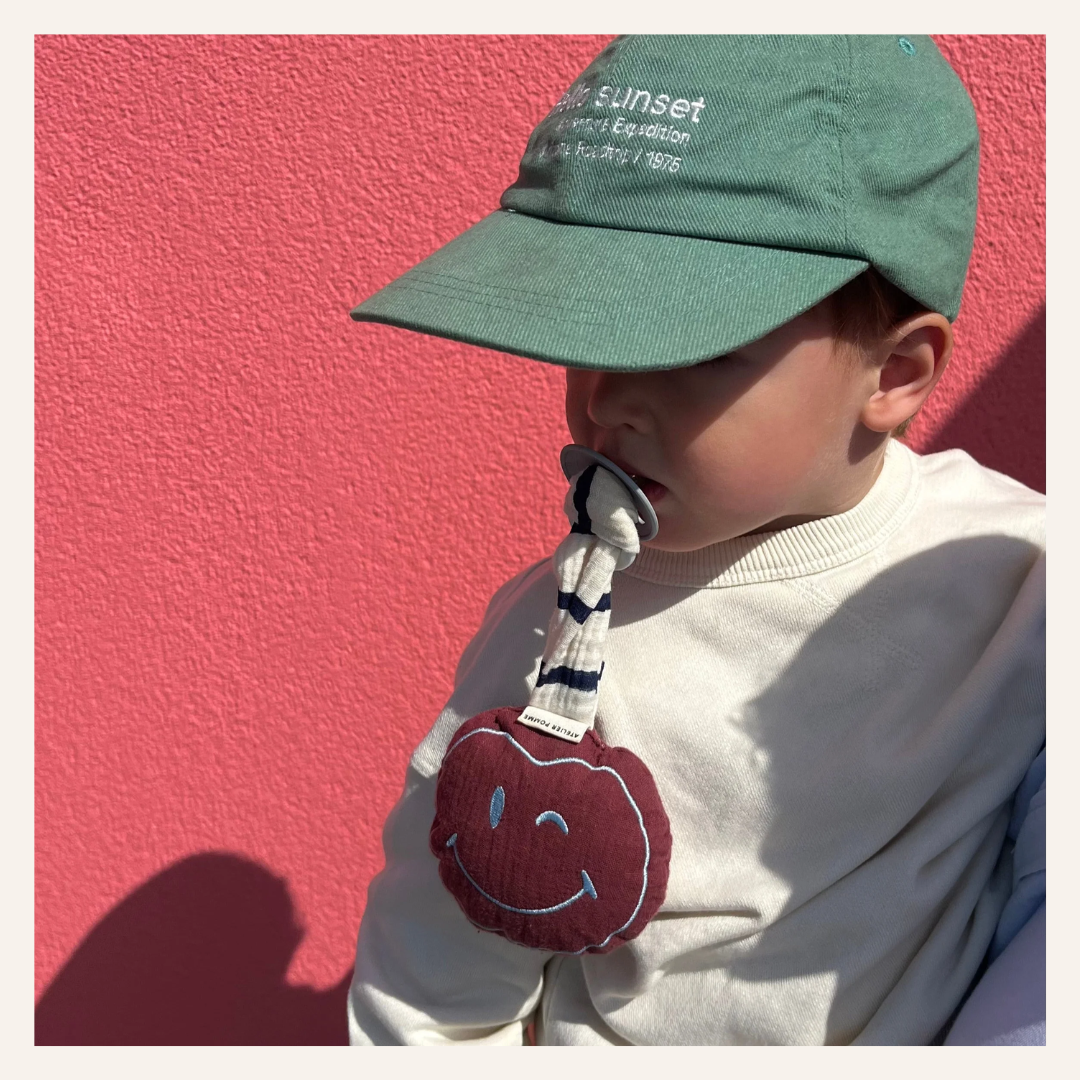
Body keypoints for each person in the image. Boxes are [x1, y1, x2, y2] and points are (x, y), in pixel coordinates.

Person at [344, 35, 1045, 1045]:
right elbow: (429, 1002)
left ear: (895, 374)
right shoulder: (556, 651)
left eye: (695, 344)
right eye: (582, 334)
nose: (608, 401)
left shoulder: (1021, 577)